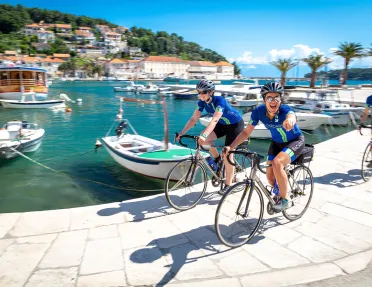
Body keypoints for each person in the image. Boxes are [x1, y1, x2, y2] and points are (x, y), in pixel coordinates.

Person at [225, 82, 305, 211]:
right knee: (269, 176)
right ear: (264, 100)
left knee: (277, 163)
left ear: (280, 99)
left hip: (295, 141)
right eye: (269, 98)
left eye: (276, 98)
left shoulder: (285, 111)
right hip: (277, 144)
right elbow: (246, 132)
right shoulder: (258, 112)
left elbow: (291, 115)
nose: (273, 101)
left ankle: (285, 200)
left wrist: (290, 120)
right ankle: (280, 188)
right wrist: (232, 146)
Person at [176, 79, 244, 194]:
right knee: (204, 141)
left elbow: (214, 120)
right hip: (222, 125)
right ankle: (217, 158)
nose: (201, 95)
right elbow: (193, 119)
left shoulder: (220, 101)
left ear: (211, 92)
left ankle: (228, 185)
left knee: (228, 155)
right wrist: (182, 132)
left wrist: (204, 134)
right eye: (199, 92)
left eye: (203, 92)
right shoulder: (201, 103)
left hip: (235, 125)